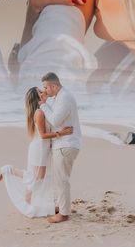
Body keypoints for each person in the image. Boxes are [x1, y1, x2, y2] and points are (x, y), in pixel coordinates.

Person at [0, 86, 73, 218]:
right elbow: (43, 135)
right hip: (39, 148)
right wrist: (62, 133)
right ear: (37, 97)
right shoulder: (39, 113)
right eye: (41, 91)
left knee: (38, 177)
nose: (44, 91)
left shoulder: (43, 110)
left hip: (43, 147)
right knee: (38, 177)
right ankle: (9, 170)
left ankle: (28, 199)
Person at [39, 73, 81, 223]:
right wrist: (46, 102)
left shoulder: (65, 98)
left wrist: (43, 105)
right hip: (65, 143)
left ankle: (63, 214)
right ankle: (62, 207)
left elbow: (55, 120)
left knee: (61, 180)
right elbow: (55, 115)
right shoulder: (60, 98)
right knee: (61, 179)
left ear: (54, 86)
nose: (44, 90)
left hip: (66, 144)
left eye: (46, 87)